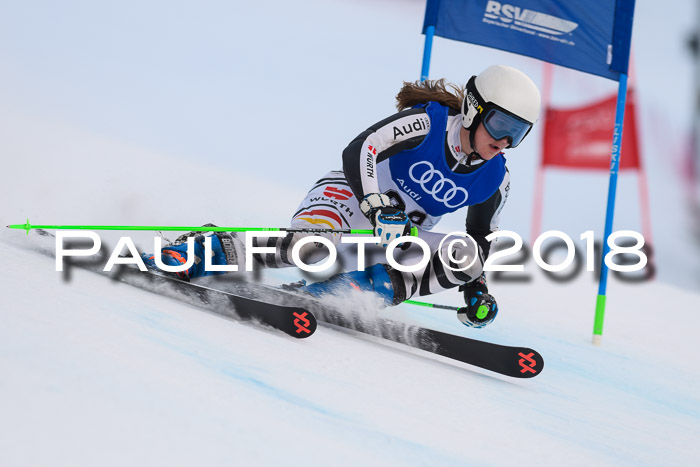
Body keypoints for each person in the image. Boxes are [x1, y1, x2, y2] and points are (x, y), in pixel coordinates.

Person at [143, 65, 541, 329]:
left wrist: (476, 288)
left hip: (392, 240)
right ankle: (205, 248)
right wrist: (375, 204)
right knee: (313, 248)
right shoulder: (428, 123)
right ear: (474, 109)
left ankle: (353, 290)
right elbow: (361, 148)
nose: (505, 140)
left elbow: (480, 240)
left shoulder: (496, 177)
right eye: (500, 124)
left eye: (518, 133)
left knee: (466, 257)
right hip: (349, 199)